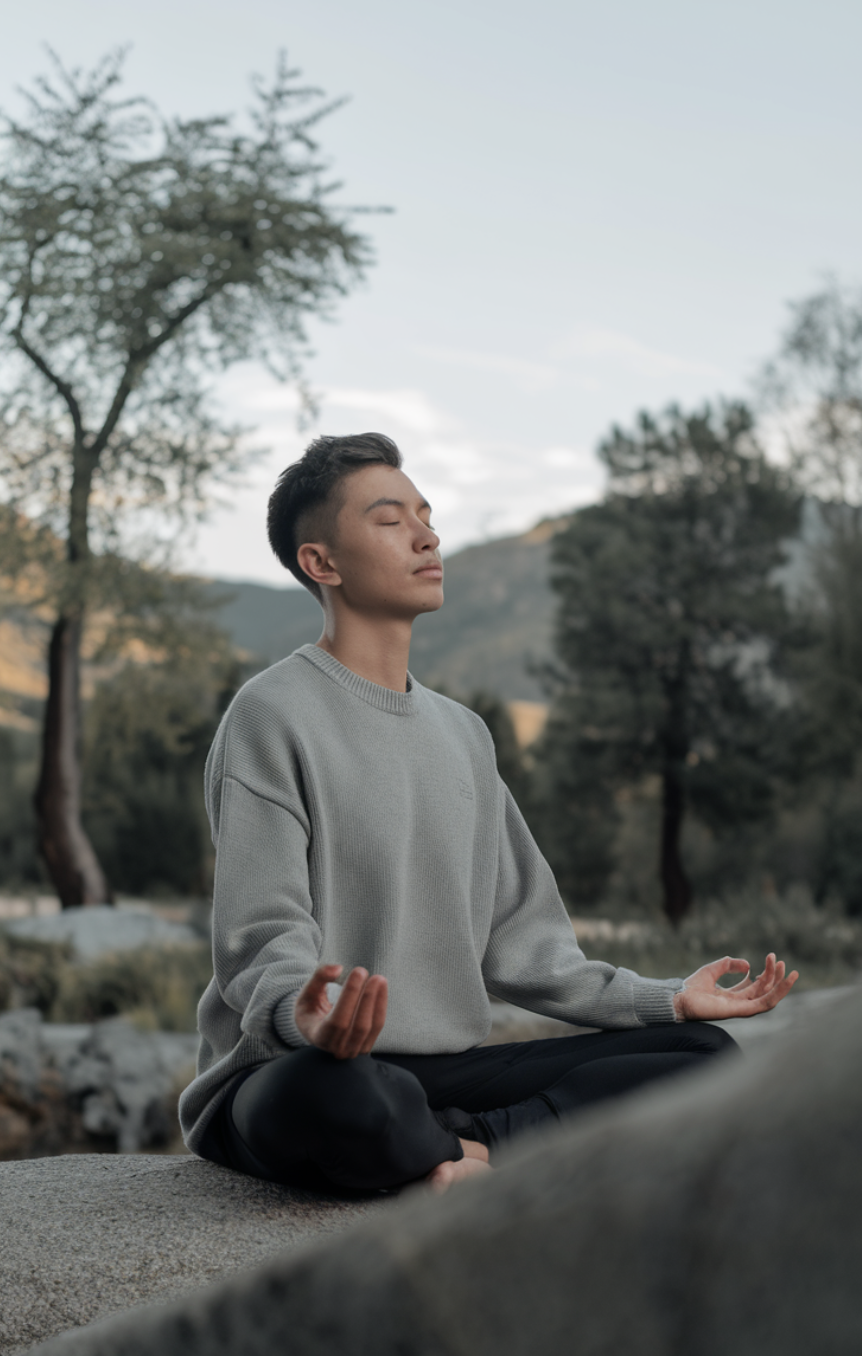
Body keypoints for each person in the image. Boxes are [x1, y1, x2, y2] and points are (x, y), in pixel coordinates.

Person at [179, 432, 798, 1194]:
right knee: (334, 1095)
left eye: (426, 514)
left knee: (701, 1056)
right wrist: (309, 1017)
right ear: (322, 563)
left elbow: (524, 946)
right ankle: (480, 1148)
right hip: (303, 1066)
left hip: (442, 1077)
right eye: (388, 519)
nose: (426, 534)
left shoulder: (463, 734)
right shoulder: (270, 714)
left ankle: (470, 1156)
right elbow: (261, 935)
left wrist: (666, 999)